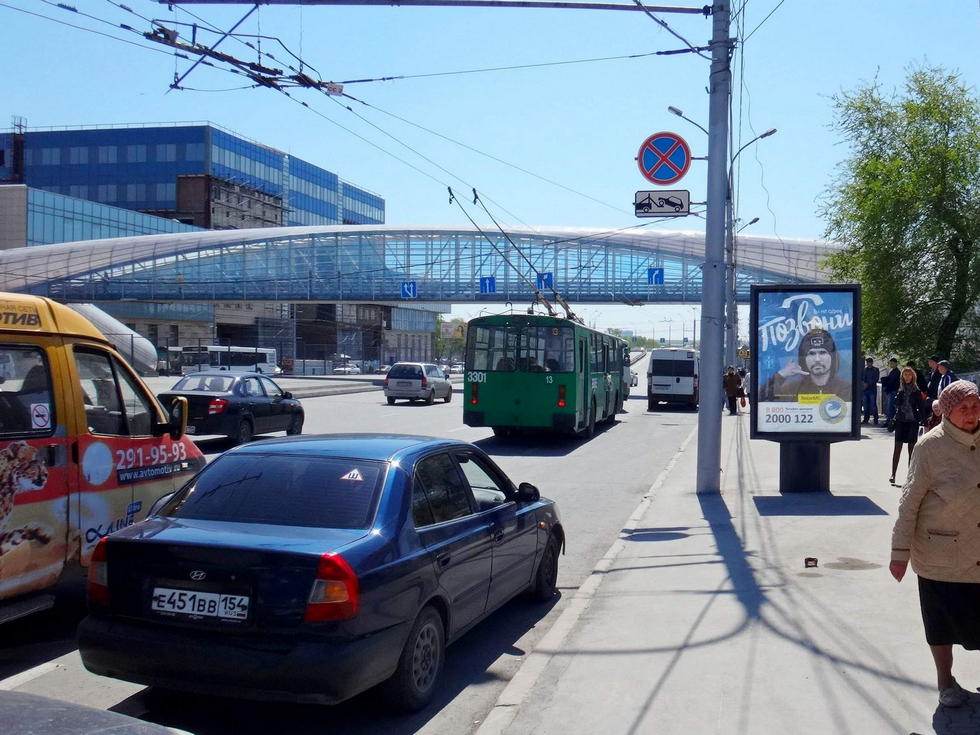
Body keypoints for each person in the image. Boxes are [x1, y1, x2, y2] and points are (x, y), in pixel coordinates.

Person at [890, 380, 980, 707]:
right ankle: (946, 682)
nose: (971, 414)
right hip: (941, 555)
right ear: (948, 411)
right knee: (941, 624)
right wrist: (899, 553)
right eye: (963, 408)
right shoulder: (929, 447)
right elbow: (909, 502)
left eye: (976, 406)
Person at [759, 328, 852, 402]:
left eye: (822, 353)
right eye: (811, 353)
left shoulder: (846, 388)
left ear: (832, 357)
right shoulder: (791, 389)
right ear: (804, 359)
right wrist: (782, 374)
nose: (817, 359)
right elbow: (761, 399)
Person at [889, 367, 925, 484]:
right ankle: (893, 474)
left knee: (911, 450)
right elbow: (896, 405)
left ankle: (910, 477)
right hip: (900, 420)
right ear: (902, 377)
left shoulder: (916, 391)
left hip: (912, 422)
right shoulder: (901, 390)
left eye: (909, 374)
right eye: (905, 375)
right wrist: (899, 395)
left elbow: (921, 407)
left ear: (913, 376)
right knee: (897, 448)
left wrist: (924, 421)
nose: (907, 377)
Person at [882, 357, 901, 430]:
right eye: (890, 363)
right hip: (891, 391)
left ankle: (889, 422)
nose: (891, 364)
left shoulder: (897, 372)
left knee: (890, 407)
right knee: (890, 407)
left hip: (893, 391)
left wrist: (886, 382)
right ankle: (890, 421)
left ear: (895, 363)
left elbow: (892, 381)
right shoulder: (892, 371)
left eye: (892, 363)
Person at [861, 357, 880, 424]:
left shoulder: (876, 370)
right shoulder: (864, 370)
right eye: (867, 362)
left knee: (873, 405)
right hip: (865, 390)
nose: (868, 363)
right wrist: (863, 384)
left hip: (872, 389)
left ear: (872, 362)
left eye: (870, 362)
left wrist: (868, 384)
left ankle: (876, 419)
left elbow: (876, 379)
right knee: (865, 405)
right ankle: (866, 419)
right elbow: (862, 378)